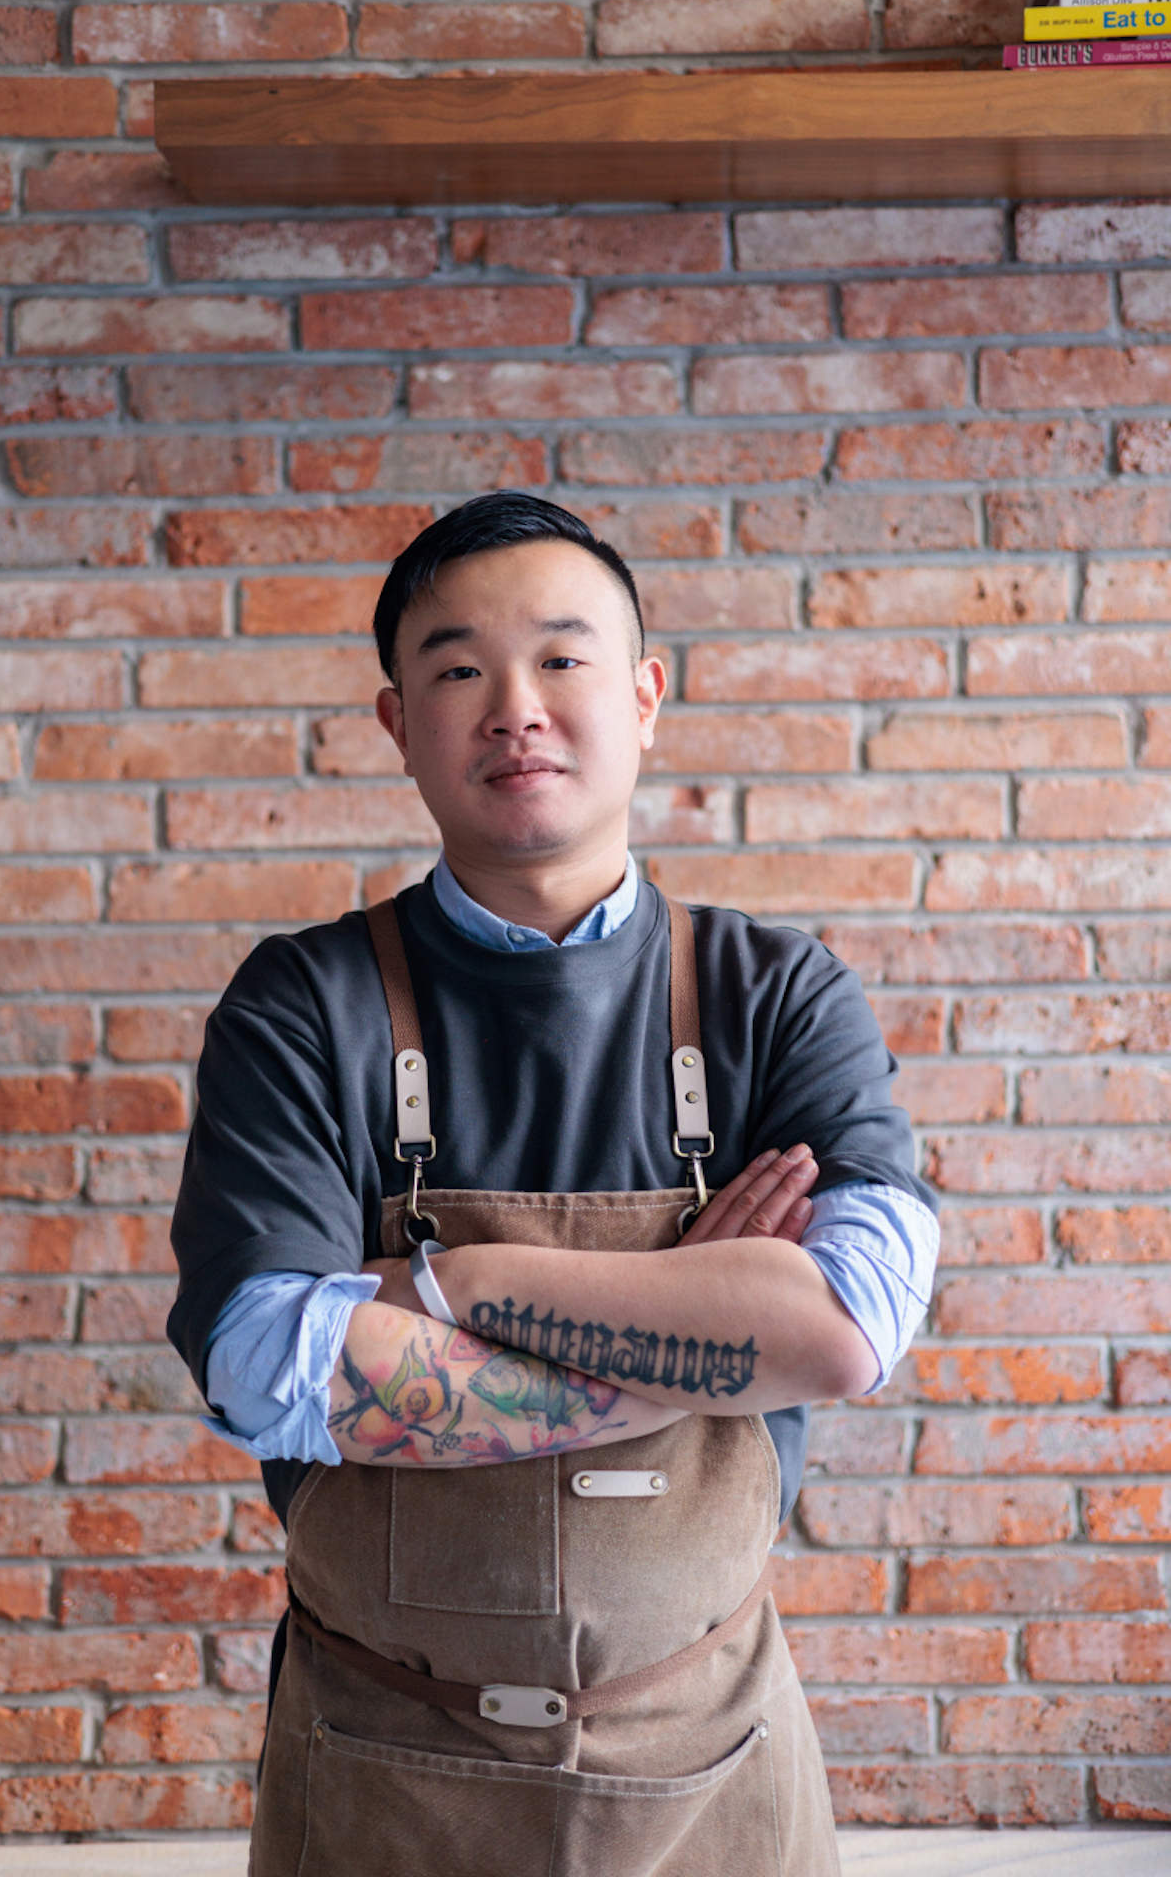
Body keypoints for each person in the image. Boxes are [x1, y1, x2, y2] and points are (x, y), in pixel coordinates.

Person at [168, 492, 939, 1877]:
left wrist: (459, 1284)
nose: (512, 706)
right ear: (399, 721)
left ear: (644, 697)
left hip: (715, 1768)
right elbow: (263, 1362)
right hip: (381, 1771)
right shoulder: (304, 1004)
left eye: (563, 659)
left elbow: (841, 1329)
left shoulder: (778, 996)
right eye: (458, 668)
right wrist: (697, 1334)